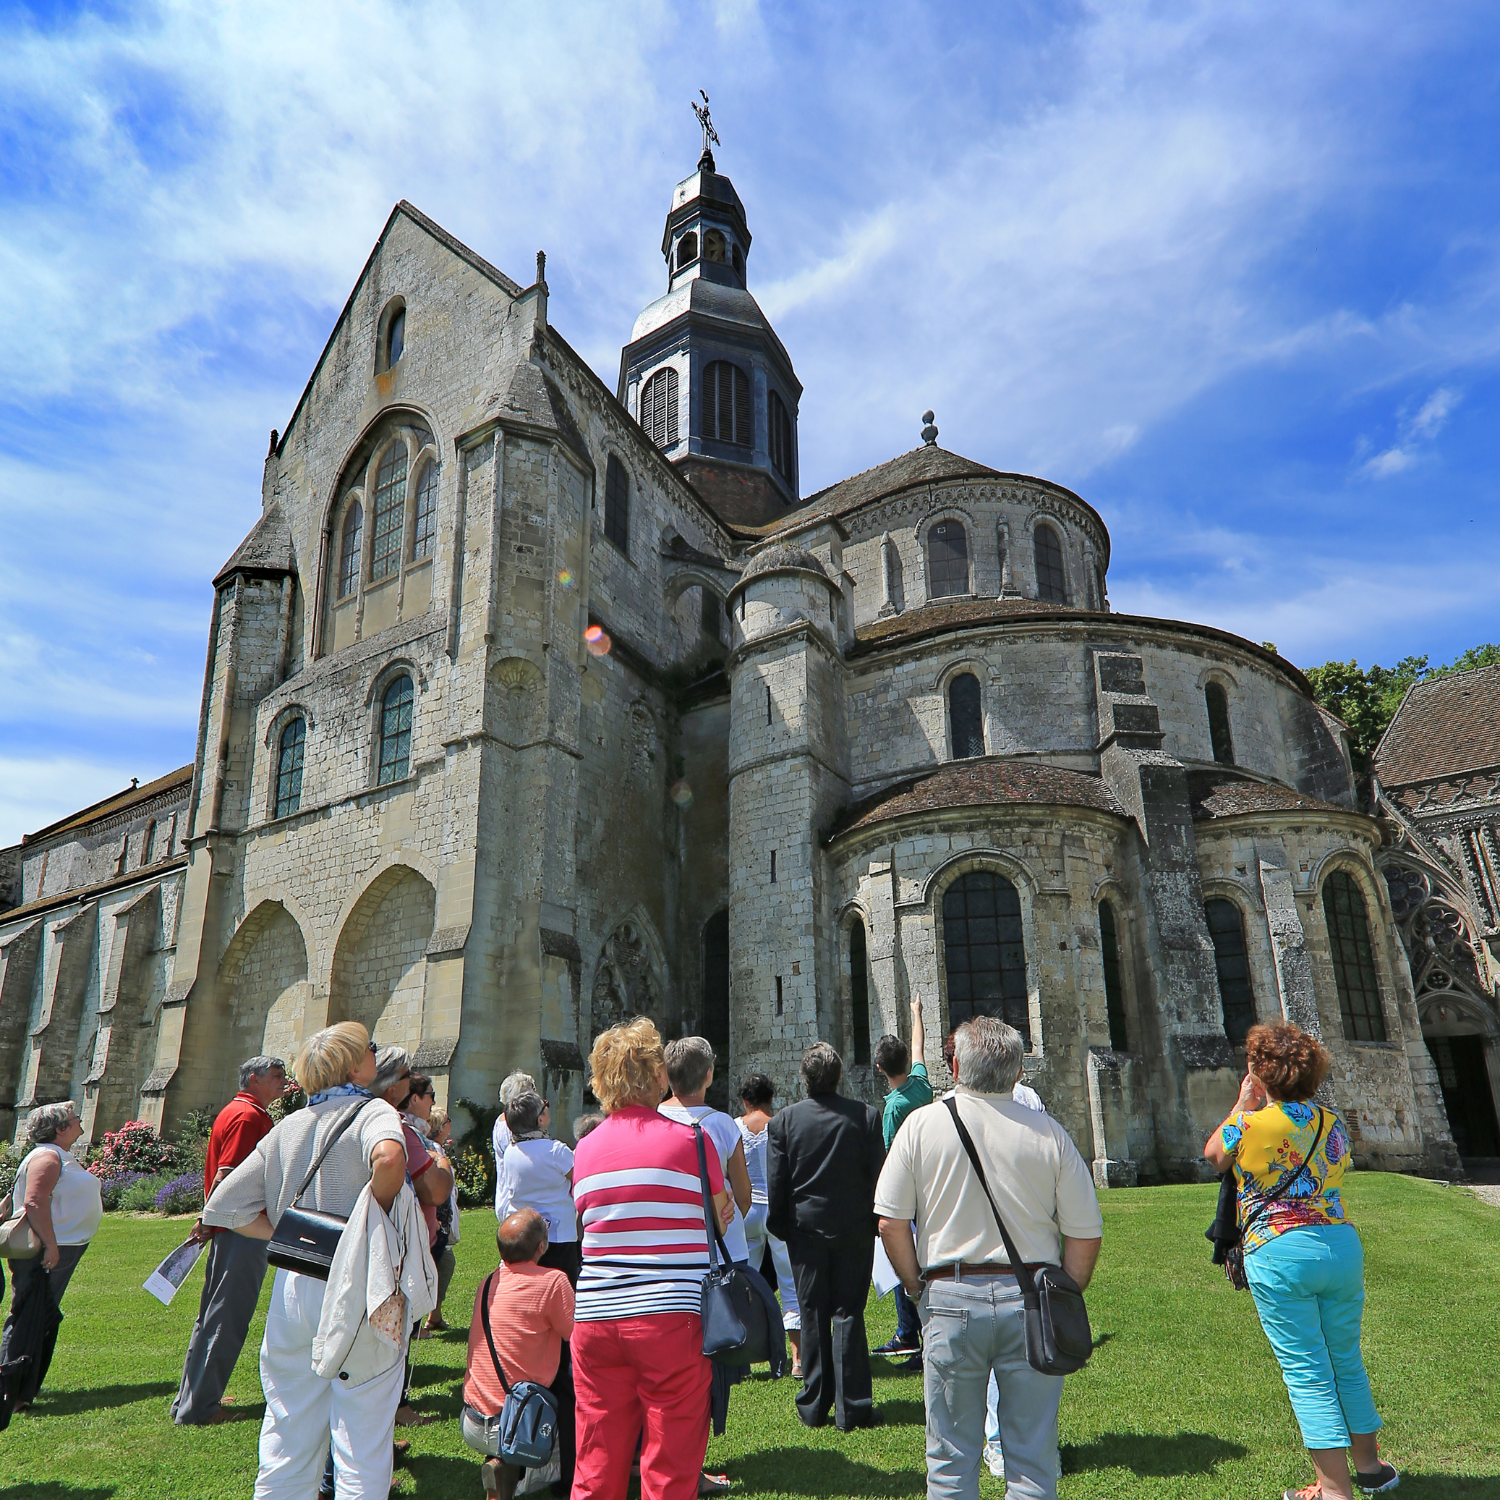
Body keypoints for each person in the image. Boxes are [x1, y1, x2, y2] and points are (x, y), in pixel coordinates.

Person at [876, 1016, 1103, 1500]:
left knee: (951, 1462)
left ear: (955, 1065)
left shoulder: (920, 1126)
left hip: (950, 1294)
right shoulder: (1050, 1134)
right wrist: (1063, 1295)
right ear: (1018, 1072)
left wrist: (917, 1288)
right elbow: (1085, 1234)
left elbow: (890, 1222)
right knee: (1032, 1460)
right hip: (1031, 1299)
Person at [201, 1021, 414, 1500]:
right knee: (362, 1437)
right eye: (369, 1051)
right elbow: (389, 1159)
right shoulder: (372, 1110)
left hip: (296, 1286)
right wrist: (369, 1222)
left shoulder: (290, 1125)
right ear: (356, 1065)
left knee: (288, 1428)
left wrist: (283, 1233)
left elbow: (223, 1204)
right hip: (362, 1286)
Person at [1204, 1023, 1398, 1500]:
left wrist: (1243, 1104)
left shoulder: (1248, 1124)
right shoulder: (1332, 1122)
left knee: (1307, 1369)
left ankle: (1332, 1489)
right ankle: (1370, 1467)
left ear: (1259, 1073)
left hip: (1280, 1248)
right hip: (1339, 1244)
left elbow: (1214, 1156)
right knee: (1346, 1361)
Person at [570, 1017, 733, 1500]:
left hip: (596, 1316)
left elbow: (590, 1220)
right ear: (659, 1074)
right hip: (669, 1316)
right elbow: (720, 1220)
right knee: (668, 1470)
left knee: (596, 1465)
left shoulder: (584, 1149)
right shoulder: (693, 1141)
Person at [766, 1041, 885, 1432]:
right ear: (838, 1077)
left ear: (805, 1080)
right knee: (849, 1312)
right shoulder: (865, 1116)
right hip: (852, 1228)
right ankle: (853, 1407)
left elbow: (777, 1183)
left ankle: (814, 1406)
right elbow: (877, 1176)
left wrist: (782, 1227)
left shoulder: (784, 1121)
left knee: (813, 1313)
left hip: (805, 1231)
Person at [172, 1055, 289, 1425]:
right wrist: (209, 1219)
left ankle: (192, 1398)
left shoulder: (241, 1112)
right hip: (242, 1229)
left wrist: (209, 1219)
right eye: (276, 1076)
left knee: (213, 1315)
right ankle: (201, 1407)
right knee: (227, 1317)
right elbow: (228, 1176)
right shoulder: (248, 1116)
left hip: (234, 1228)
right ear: (252, 1079)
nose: (283, 1082)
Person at [463, 1209, 576, 1500]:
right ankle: (512, 1470)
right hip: (518, 1424)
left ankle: (501, 1466)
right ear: (541, 1247)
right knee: (578, 1432)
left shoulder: (487, 1283)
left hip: (473, 1421)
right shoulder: (554, 1281)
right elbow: (575, 1336)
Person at [0, 1101, 103, 1401]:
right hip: (46, 1250)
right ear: (60, 1129)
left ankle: (22, 1384)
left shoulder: (56, 1154)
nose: (79, 1121)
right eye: (74, 1118)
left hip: (58, 1246)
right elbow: (34, 1201)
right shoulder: (48, 1156)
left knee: (39, 1314)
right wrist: (52, 1245)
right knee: (29, 1315)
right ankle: (11, 1388)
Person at [374, 1046, 453, 1429]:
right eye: (408, 1077)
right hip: (398, 1249)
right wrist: (441, 1160)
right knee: (396, 1334)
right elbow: (434, 1191)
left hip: (381, 1246)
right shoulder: (398, 1130)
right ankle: (396, 1405)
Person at [872, 999, 932, 1370]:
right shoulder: (922, 1084)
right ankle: (910, 1332)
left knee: (903, 1263)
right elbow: (921, 1046)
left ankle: (914, 1334)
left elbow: (892, 1156)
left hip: (908, 1194)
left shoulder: (894, 1107)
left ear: (879, 1069)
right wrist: (917, 1014)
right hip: (929, 1186)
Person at [660, 1038, 752, 1267]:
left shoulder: (654, 1117)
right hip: (723, 1247)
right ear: (708, 1075)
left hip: (670, 1245)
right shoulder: (723, 1124)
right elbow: (744, 1195)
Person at [736, 1074, 801, 1378]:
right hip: (776, 1208)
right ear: (770, 1098)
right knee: (789, 1283)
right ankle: (798, 1358)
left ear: (745, 1101)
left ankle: (744, 1358)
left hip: (747, 1209)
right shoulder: (782, 1123)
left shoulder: (736, 1127)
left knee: (745, 1285)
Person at [498, 1091, 580, 1286]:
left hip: (524, 1234)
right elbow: (578, 1176)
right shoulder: (555, 1150)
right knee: (563, 1290)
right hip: (559, 1234)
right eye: (545, 1105)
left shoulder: (510, 1152)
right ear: (540, 1119)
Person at [404, 1077, 456, 1334]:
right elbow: (435, 1190)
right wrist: (441, 1162)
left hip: (422, 1228)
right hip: (413, 1231)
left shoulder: (414, 1131)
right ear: (414, 1098)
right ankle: (414, 1327)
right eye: (430, 1095)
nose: (433, 1101)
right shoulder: (409, 1132)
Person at [425, 1105, 460, 1334]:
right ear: (439, 1127)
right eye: (447, 1119)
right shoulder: (433, 1149)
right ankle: (420, 1321)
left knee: (443, 1264)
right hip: (437, 1220)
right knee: (437, 1266)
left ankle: (434, 1316)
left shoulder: (437, 1148)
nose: (450, 1122)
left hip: (441, 1219)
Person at [493, 1070, 538, 1214]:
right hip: (515, 1201)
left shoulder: (501, 1120)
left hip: (507, 1197)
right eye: (533, 1090)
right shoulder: (511, 1126)